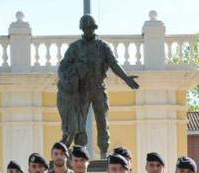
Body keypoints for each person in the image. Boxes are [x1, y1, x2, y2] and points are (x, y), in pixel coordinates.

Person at [57, 14, 140, 153]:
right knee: (79, 125)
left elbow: (114, 64)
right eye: (85, 28)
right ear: (82, 29)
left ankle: (103, 153)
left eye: (90, 28)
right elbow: (63, 67)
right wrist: (64, 80)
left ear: (94, 28)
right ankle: (79, 153)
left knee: (102, 122)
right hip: (82, 91)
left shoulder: (102, 46)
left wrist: (126, 78)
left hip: (98, 88)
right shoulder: (75, 48)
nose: (87, 31)